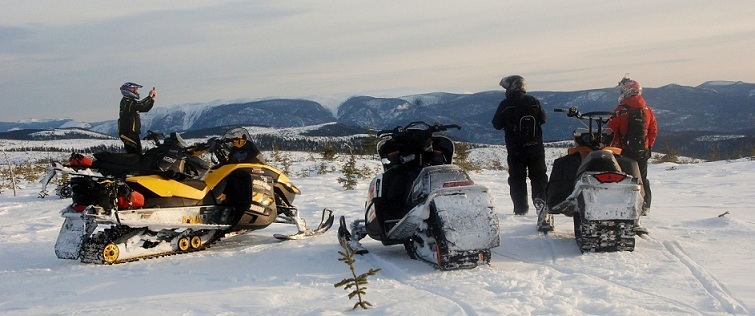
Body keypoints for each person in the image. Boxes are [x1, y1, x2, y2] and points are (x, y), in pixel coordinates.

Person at [491, 75, 548, 215]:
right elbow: (543, 119)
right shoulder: (533, 101)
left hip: (515, 149)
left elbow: (496, 124)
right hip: (536, 147)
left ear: (512, 87)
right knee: (539, 176)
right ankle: (541, 203)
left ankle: (521, 209)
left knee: (517, 178)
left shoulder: (505, 104)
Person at [608, 76, 658, 216]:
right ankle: (645, 204)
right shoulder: (647, 110)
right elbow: (653, 130)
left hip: (624, 150)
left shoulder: (620, 110)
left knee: (623, 177)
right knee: (642, 177)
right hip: (643, 149)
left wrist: (613, 147)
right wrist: (648, 146)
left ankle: (624, 204)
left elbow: (612, 131)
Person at [218, 127, 265, 225]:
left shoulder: (250, 151)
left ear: (242, 140)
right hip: (238, 179)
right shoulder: (234, 152)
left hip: (250, 178)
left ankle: (238, 214)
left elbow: (257, 163)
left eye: (234, 141)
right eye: (232, 141)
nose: (232, 143)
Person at [118, 82, 156, 154]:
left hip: (133, 133)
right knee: (134, 154)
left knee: (138, 153)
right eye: (134, 89)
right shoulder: (127, 102)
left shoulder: (131, 102)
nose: (136, 91)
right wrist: (149, 97)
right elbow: (140, 105)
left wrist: (151, 100)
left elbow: (145, 108)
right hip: (127, 132)